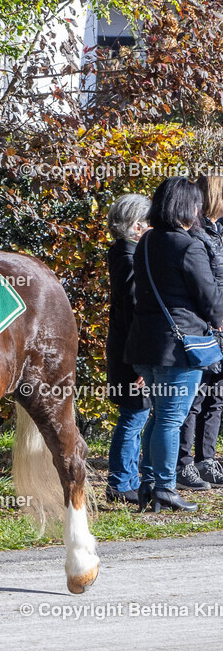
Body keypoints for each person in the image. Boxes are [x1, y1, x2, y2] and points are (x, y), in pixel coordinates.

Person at [125, 177, 223, 513]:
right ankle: (165, 488)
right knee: (170, 419)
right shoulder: (188, 245)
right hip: (180, 345)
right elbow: (209, 298)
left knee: (158, 416)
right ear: (187, 206)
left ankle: (149, 485)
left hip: (146, 344)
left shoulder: (147, 241)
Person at [176, 173, 223, 490]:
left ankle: (207, 459)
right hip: (207, 325)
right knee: (195, 397)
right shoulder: (198, 235)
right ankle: (184, 464)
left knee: (216, 397)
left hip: (218, 323)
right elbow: (206, 286)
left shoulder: (217, 232)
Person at [105, 194, 151, 504]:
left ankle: (127, 479)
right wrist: (140, 364)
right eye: (148, 223)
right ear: (136, 226)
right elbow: (134, 312)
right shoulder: (130, 258)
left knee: (135, 416)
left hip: (124, 351)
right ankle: (120, 483)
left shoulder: (123, 253)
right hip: (130, 354)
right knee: (133, 417)